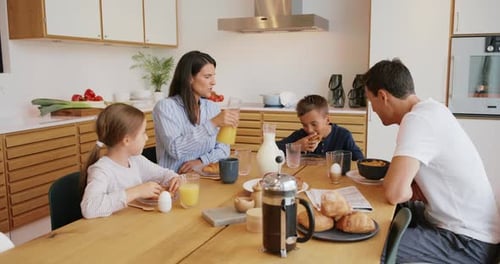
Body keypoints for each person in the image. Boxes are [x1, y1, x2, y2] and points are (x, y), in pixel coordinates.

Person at [364, 59, 500, 263]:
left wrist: (406, 189)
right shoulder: (432, 110)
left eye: (370, 100)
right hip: (463, 229)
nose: (372, 109)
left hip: (467, 242)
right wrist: (411, 188)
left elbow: (395, 192)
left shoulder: (418, 120)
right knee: (372, 218)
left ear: (383, 96)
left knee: (366, 246)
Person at [80, 103, 180, 219]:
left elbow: (163, 174)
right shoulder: (101, 170)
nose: (146, 138)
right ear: (126, 140)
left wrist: (174, 178)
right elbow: (89, 208)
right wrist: (137, 191)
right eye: (143, 133)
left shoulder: (136, 160)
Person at [153, 50, 238, 173]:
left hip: (204, 177)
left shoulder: (212, 108)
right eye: (207, 77)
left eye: (213, 76)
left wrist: (202, 161)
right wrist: (212, 123)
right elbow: (176, 149)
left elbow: (224, 149)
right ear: (189, 78)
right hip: (174, 182)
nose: (213, 82)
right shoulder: (166, 107)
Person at [276, 94, 364, 161]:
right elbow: (273, 149)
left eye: (314, 124)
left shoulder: (343, 135)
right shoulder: (300, 135)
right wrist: (295, 146)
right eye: (304, 125)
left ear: (327, 120)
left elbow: (360, 161)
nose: (309, 130)